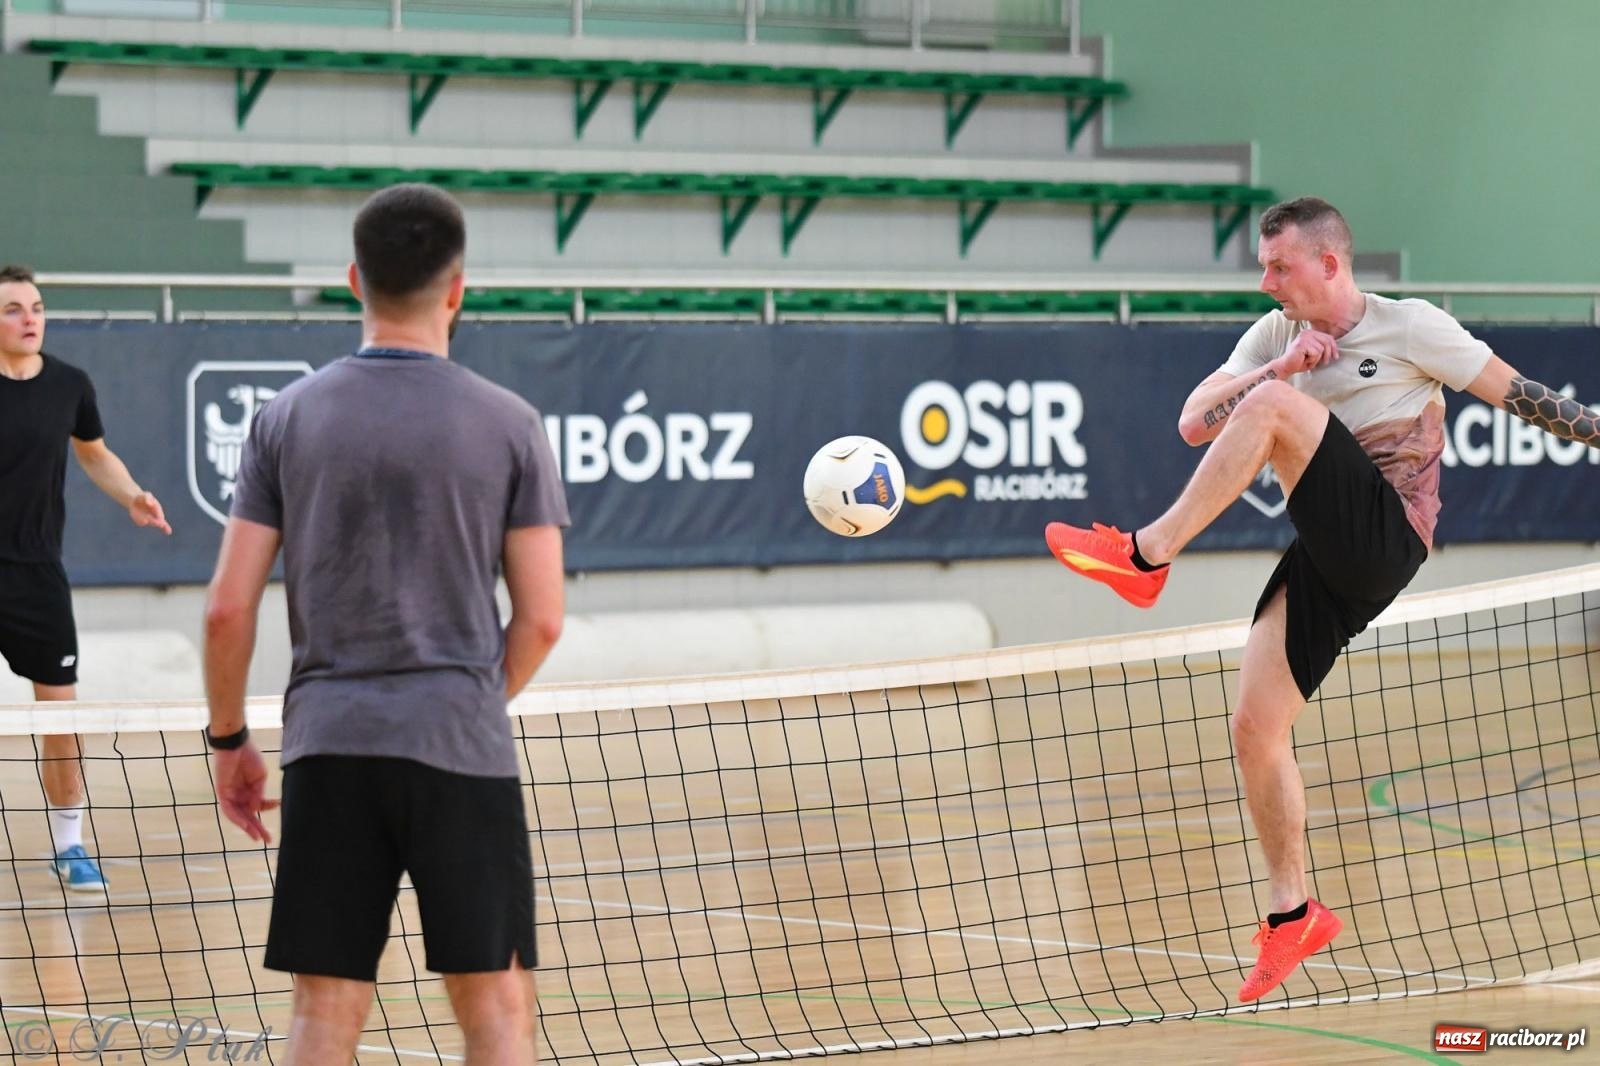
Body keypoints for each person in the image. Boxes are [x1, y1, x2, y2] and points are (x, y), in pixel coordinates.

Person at [1045, 197, 1600, 1003]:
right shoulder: (1275, 337)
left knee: (1273, 412)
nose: (1267, 281)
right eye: (1265, 267)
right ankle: (1291, 911)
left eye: (1280, 267)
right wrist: (1283, 366)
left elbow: (1524, 396)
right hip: (1326, 549)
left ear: (1330, 264)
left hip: (1387, 535)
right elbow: (1194, 422)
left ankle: (1144, 554)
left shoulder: (1411, 327)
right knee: (1255, 728)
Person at [202, 183, 567, 1064]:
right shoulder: (511, 424)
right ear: (457, 289)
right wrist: (473, 698)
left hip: (329, 745)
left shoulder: (283, 419)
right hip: (458, 743)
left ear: (354, 280)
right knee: (497, 1011)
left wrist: (230, 742)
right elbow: (544, 619)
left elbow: (226, 608)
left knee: (325, 1011)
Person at [0, 264, 172, 895]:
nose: (29, 319)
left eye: (36, 307)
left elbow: (95, 452)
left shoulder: (70, 384)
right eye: (14, 309)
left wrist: (132, 496)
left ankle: (69, 845)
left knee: (61, 722)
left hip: (38, 575)